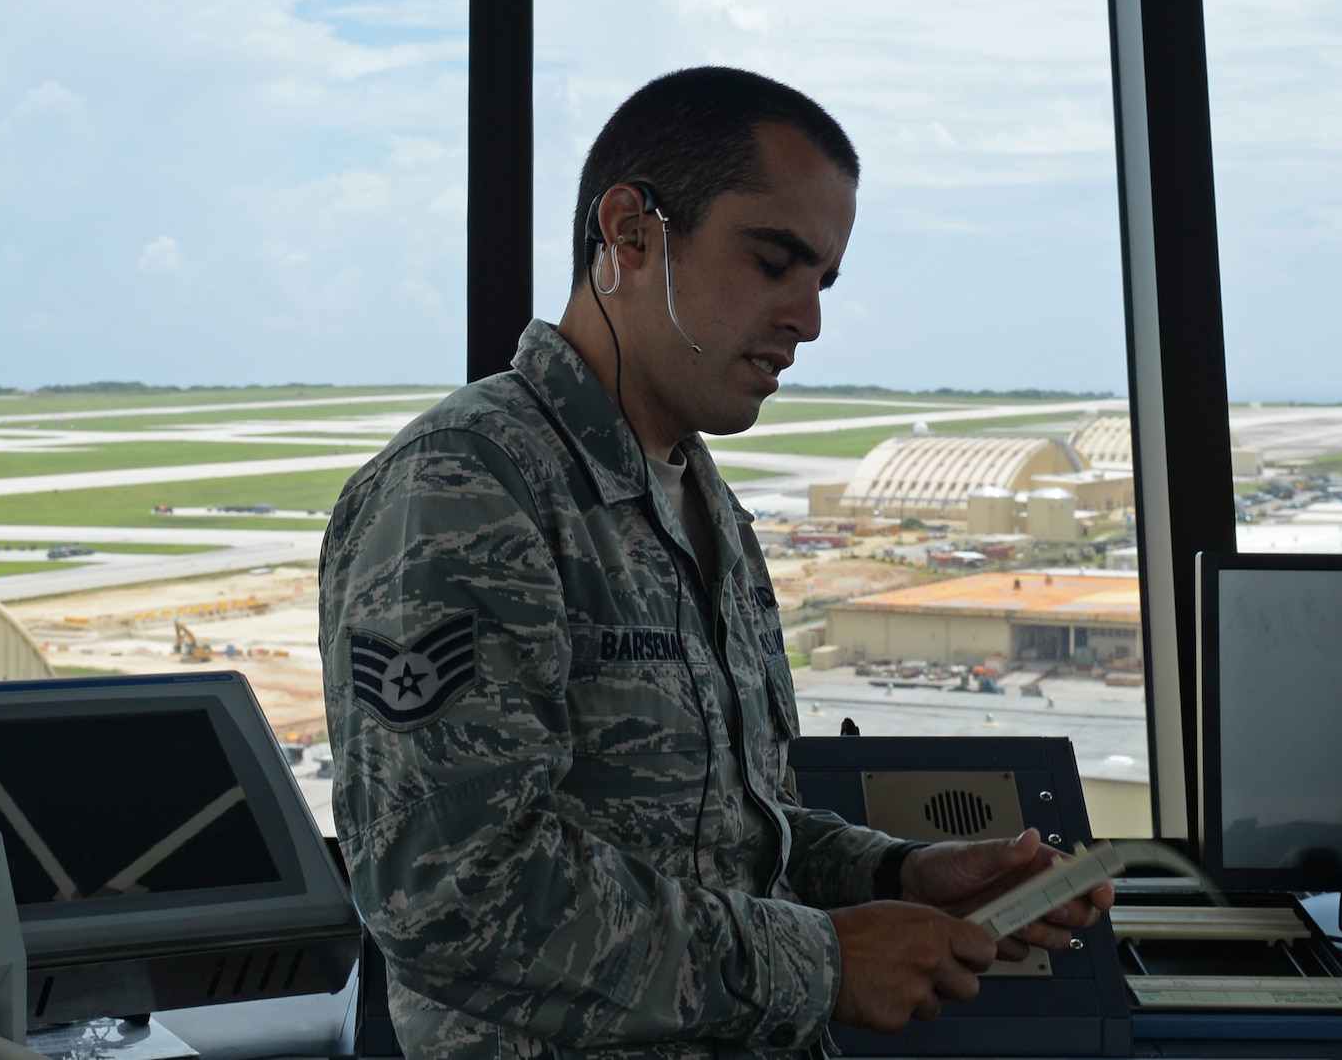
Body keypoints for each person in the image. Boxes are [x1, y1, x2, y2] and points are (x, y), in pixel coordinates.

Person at [318, 67, 1112, 1060]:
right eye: (773, 261)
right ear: (631, 232)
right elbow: (448, 895)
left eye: (819, 281)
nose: (807, 318)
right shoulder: (463, 489)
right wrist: (818, 962)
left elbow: (736, 837)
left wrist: (895, 876)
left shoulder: (705, 509)